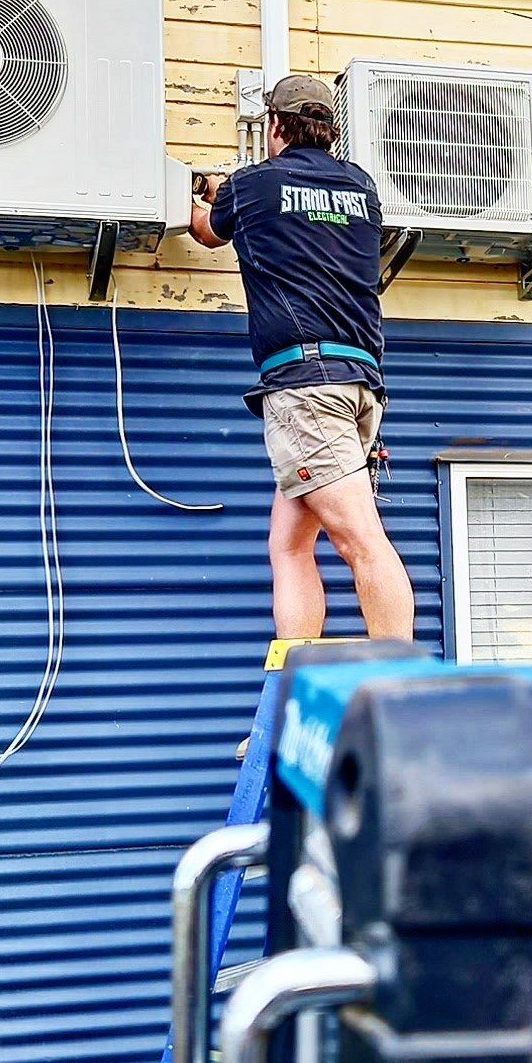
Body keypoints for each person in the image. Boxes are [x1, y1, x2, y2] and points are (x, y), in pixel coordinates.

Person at [189, 74, 415, 642]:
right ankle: (292, 676)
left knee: (360, 537)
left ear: (274, 126)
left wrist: (202, 192)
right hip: (359, 381)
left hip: (306, 385)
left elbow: (206, 232)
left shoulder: (253, 185)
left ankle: (400, 683)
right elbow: (305, 217)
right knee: (288, 544)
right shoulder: (361, 188)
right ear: (328, 127)